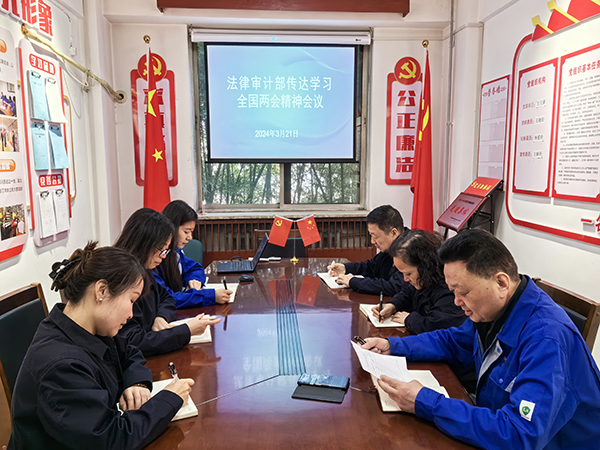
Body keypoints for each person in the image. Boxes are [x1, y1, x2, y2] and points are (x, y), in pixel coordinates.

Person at [361, 229, 600, 450]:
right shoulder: (495, 309)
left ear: (501, 283)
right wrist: (393, 345)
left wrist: (426, 402)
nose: (455, 301)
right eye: (452, 291)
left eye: (462, 292)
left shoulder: (546, 340)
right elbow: (454, 342)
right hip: (492, 420)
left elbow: (520, 434)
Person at [8, 243, 195, 450]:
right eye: (131, 300)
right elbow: (110, 440)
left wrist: (137, 383)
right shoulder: (62, 366)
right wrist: (170, 399)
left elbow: (129, 352)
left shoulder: (87, 327)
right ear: (102, 291)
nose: (132, 314)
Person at [115, 208, 220, 356]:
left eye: (166, 251)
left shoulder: (145, 269)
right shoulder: (121, 280)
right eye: (162, 250)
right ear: (144, 243)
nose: (164, 257)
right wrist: (186, 331)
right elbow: (133, 341)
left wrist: (160, 317)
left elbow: (166, 298)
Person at [370, 229, 466, 334]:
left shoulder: (448, 288)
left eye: (409, 274)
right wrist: (393, 305)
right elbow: (408, 293)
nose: (405, 279)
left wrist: (410, 320)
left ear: (424, 267)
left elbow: (438, 326)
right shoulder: (424, 279)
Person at [156, 200, 231, 308]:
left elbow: (194, 267)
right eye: (186, 232)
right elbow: (166, 298)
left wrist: (194, 280)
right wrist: (210, 296)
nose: (190, 238)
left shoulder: (175, 252)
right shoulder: (154, 259)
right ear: (171, 228)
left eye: (191, 232)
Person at [327, 205, 408, 296]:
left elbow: (393, 287)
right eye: (371, 235)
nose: (372, 241)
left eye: (375, 236)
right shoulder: (391, 247)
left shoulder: (411, 250)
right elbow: (371, 266)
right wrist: (345, 268)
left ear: (393, 233)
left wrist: (353, 282)